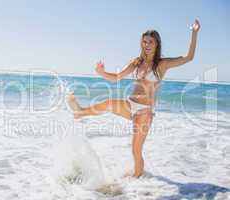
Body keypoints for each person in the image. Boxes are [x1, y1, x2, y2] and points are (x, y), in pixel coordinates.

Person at [67, 19, 200, 178]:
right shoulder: (136, 62)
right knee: (109, 103)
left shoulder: (162, 64)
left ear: (157, 44)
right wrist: (101, 72)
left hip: (144, 111)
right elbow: (117, 77)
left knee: (135, 150)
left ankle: (138, 182)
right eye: (144, 41)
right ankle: (80, 112)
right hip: (130, 104)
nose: (147, 44)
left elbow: (188, 57)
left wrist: (194, 33)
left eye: (150, 42)